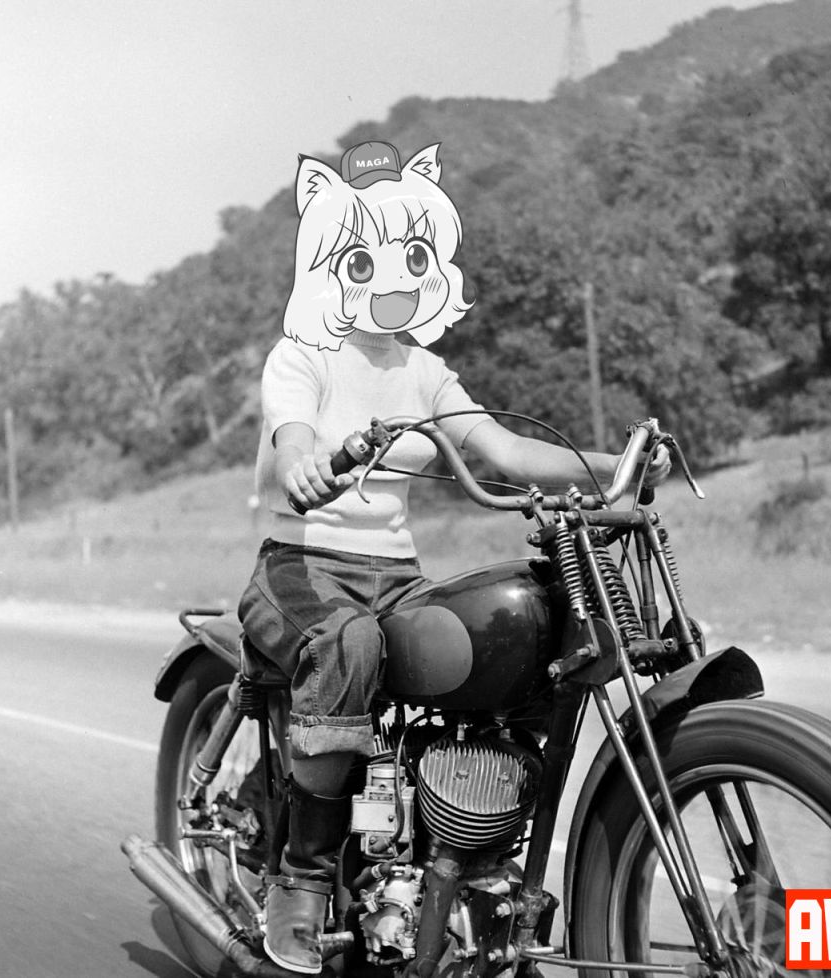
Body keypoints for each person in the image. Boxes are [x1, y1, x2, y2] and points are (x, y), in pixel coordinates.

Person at [238, 140, 670, 974]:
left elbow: (504, 450)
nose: (393, 276)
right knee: (350, 642)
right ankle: (303, 877)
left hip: (394, 579)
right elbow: (293, 438)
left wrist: (612, 468)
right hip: (301, 567)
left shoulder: (426, 373)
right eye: (365, 256)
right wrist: (305, 464)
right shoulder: (302, 357)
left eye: (412, 254)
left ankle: (466, 844)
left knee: (513, 641)